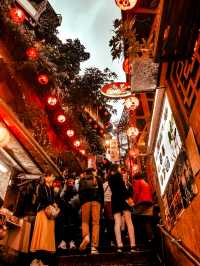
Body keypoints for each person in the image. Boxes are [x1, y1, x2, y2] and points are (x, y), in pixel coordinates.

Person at [30, 173, 58, 264]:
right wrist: (51, 203)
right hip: (42, 212)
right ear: (46, 177)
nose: (53, 178)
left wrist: (54, 204)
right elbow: (41, 198)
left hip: (49, 214)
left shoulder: (51, 188)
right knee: (42, 233)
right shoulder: (41, 186)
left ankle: (43, 260)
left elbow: (53, 199)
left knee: (47, 234)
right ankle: (38, 259)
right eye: (52, 176)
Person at [108, 164, 136, 253]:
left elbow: (114, 190)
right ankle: (133, 245)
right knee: (129, 222)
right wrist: (129, 199)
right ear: (117, 169)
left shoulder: (109, 178)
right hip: (123, 199)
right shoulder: (119, 176)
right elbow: (123, 189)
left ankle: (119, 245)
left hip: (115, 200)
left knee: (117, 222)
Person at [79, 168, 104, 254]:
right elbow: (101, 192)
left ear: (86, 173)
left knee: (85, 222)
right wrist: (102, 205)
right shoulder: (98, 179)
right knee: (95, 223)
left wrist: (81, 204)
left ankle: (86, 237)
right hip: (96, 202)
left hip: (85, 203)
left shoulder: (82, 180)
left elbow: (80, 194)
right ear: (93, 172)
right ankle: (94, 246)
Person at [133, 173, 153, 245]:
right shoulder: (145, 183)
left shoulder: (138, 182)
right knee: (146, 221)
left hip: (142, 202)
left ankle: (139, 239)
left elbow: (136, 193)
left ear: (135, 179)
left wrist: (133, 202)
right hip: (149, 203)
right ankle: (150, 238)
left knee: (134, 217)